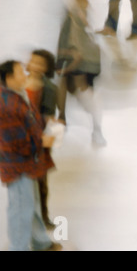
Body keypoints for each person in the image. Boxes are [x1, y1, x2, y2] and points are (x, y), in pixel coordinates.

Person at [0, 60, 62, 251]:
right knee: (20, 211)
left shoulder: (17, 95)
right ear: (9, 78)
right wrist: (41, 142)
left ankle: (41, 243)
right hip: (18, 167)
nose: (25, 74)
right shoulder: (6, 106)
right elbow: (15, 142)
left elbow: (29, 123)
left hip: (28, 164)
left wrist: (45, 129)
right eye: (20, 72)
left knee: (31, 204)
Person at [57, 0, 107, 147]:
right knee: (80, 89)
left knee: (75, 87)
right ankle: (94, 128)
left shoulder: (78, 17)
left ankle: (66, 119)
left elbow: (77, 43)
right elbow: (68, 42)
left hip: (84, 63)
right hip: (83, 62)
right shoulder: (74, 17)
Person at [25, 49, 59, 230]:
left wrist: (47, 137)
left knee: (40, 181)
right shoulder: (17, 82)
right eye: (33, 61)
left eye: (40, 64)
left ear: (47, 68)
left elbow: (49, 116)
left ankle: (43, 215)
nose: (35, 66)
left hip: (38, 138)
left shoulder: (49, 88)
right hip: (19, 138)